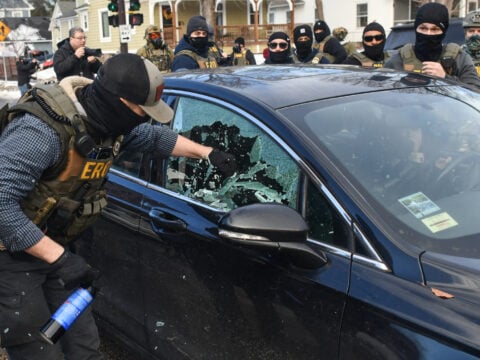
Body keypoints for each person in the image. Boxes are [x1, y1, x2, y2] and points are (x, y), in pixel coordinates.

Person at [0, 53, 236, 359]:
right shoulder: (41, 131)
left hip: (57, 249)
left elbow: (153, 138)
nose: (144, 117)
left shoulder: (107, 123)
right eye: (142, 110)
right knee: (39, 350)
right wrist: (59, 259)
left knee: (84, 346)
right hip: (11, 256)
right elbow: (2, 204)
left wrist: (207, 153)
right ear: (117, 101)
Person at [384, 3, 480, 89]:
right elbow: (381, 91)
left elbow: (475, 91)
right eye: (423, 28)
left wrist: (445, 78)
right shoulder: (399, 58)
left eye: (435, 29)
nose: (428, 33)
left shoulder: (458, 57)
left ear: (444, 32)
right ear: (416, 29)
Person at [462, 10, 480, 75]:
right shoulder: (458, 57)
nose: (475, 35)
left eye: (479, 31)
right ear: (465, 34)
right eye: (471, 31)